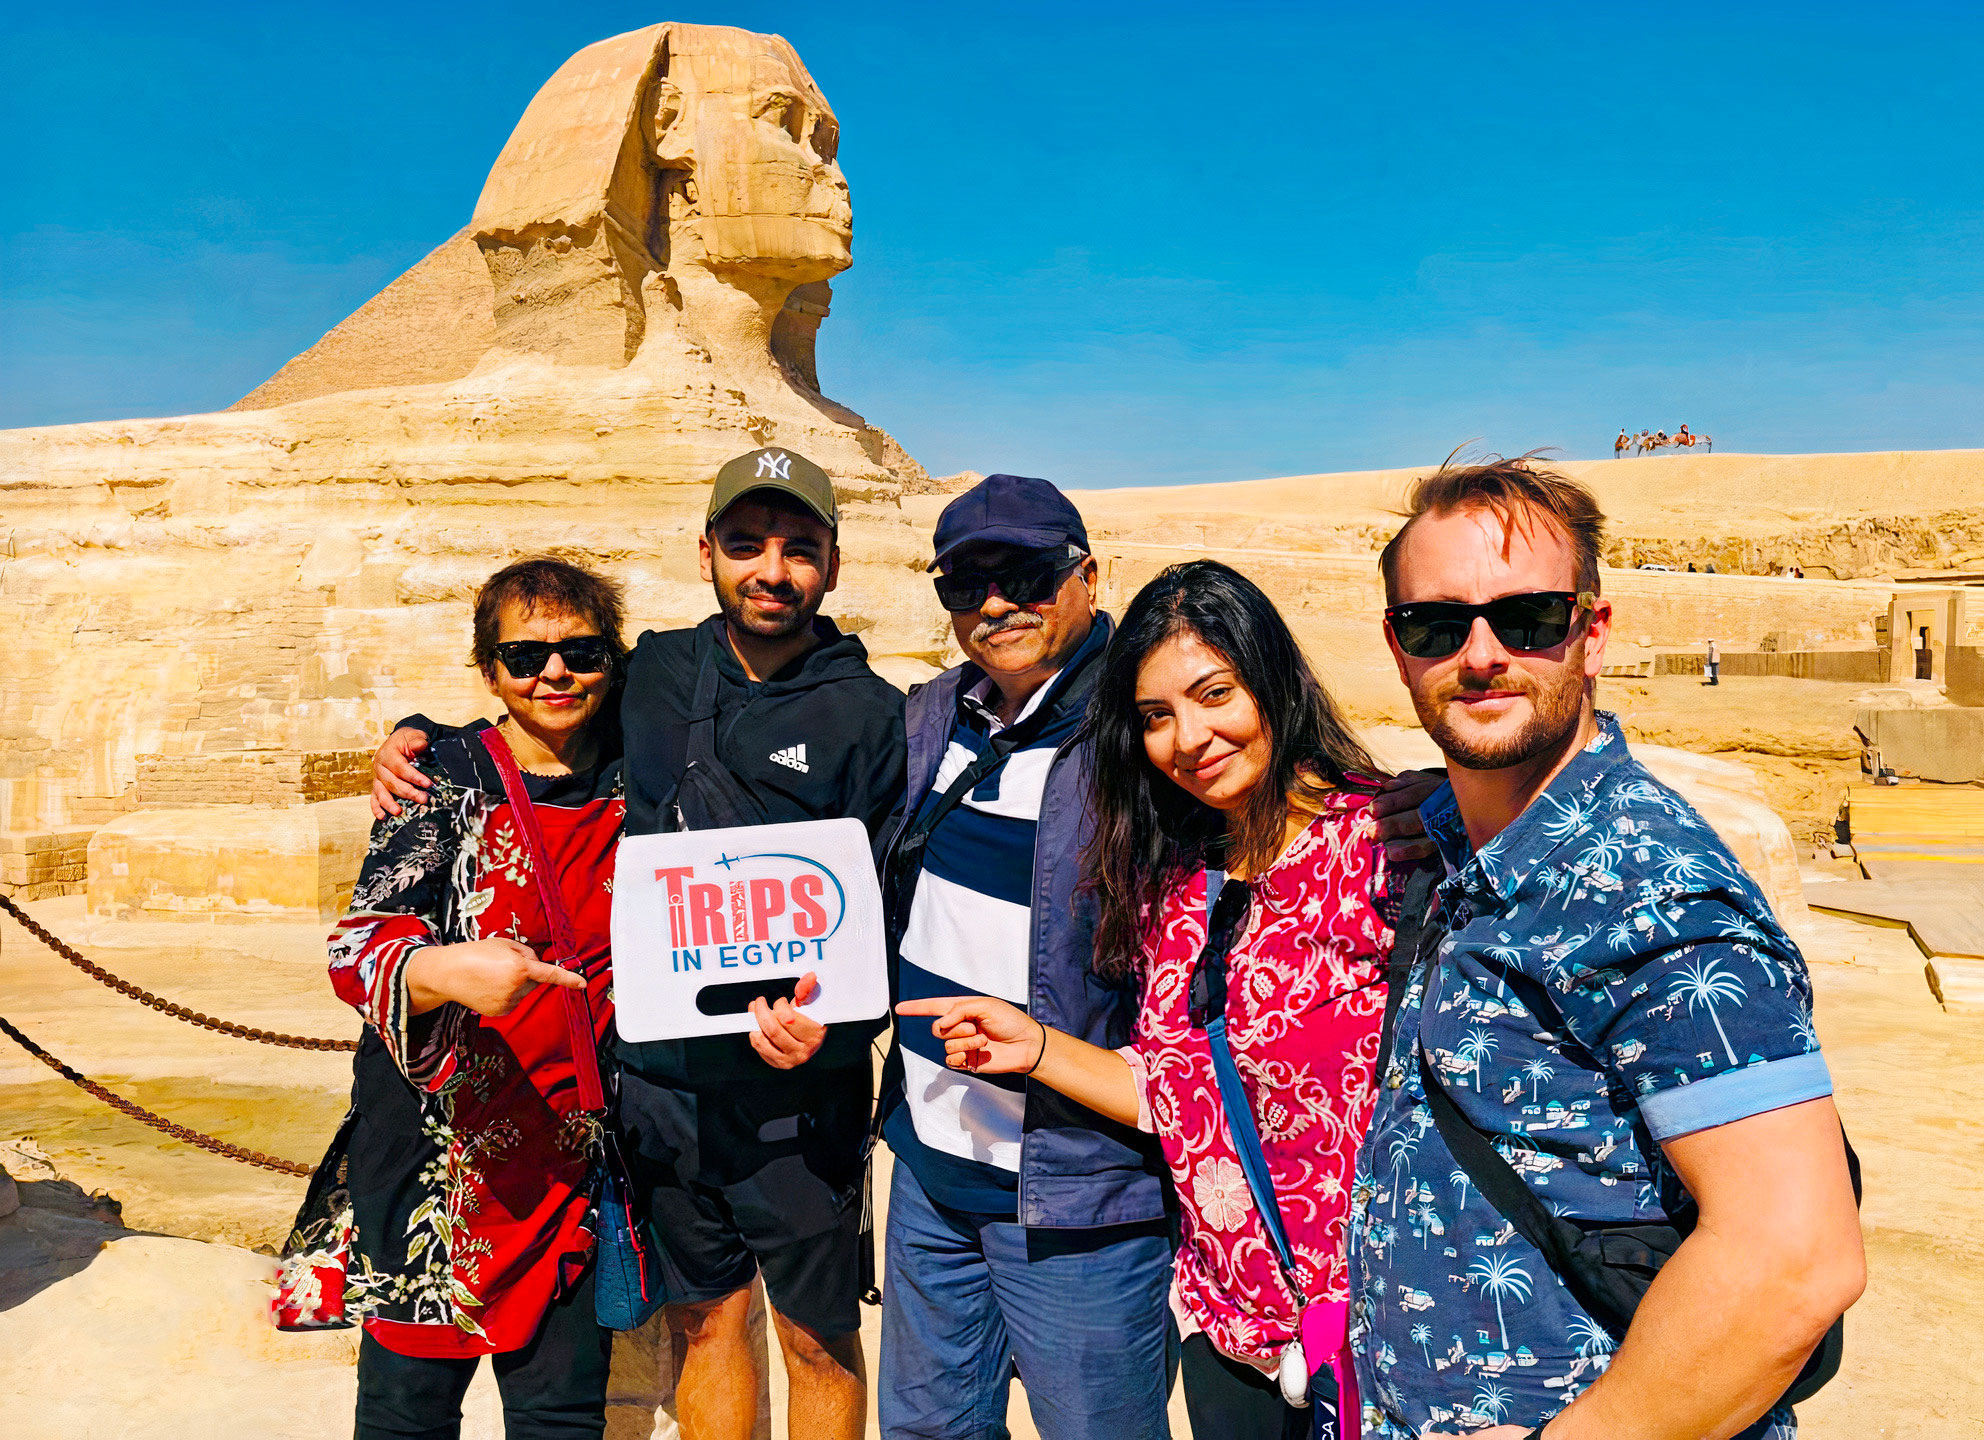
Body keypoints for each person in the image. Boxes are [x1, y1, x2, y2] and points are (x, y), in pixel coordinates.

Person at [873, 477, 1442, 1440]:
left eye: (1026, 574)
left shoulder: (1378, 848)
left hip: (1324, 1283)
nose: (998, 601)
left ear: (1087, 577)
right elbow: (1176, 1073)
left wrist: (1441, 806)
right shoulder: (937, 717)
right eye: (968, 582)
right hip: (1202, 1295)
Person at [369, 448, 905, 1440]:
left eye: (798, 548)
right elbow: (538, 704)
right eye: (745, 545)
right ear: (704, 553)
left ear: (833, 563)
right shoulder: (654, 669)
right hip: (662, 1087)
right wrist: (419, 738)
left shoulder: (869, 713)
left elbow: (880, 905)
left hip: (800, 1092)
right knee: (706, 1324)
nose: (770, 570)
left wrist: (830, 1030)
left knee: (816, 1340)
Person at [1351, 454, 1864, 1438]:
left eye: (1528, 618)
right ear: (1396, 645)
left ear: (1591, 634)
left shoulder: (1646, 892)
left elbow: (1794, 1259)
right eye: (1435, 624)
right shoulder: (1467, 846)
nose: (1482, 654)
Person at [277, 557, 631, 1439]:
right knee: (408, 1421)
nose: (555, 673)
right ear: (490, 669)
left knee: (562, 1420)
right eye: (525, 656)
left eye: (581, 652)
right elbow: (362, 946)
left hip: (576, 1172)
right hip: (441, 1183)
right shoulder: (440, 781)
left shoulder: (645, 777)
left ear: (612, 659)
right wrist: (445, 973)